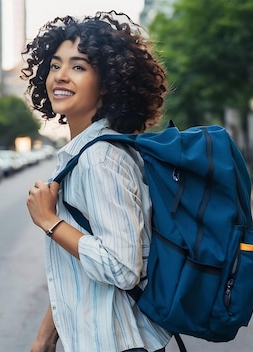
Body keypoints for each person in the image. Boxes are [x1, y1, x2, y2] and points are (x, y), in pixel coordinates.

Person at [23, 11, 171, 352]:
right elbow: (81, 268)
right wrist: (47, 336)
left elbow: (121, 268)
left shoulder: (99, 159)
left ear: (108, 83)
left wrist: (49, 221)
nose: (60, 76)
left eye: (78, 67)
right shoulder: (87, 152)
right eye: (55, 65)